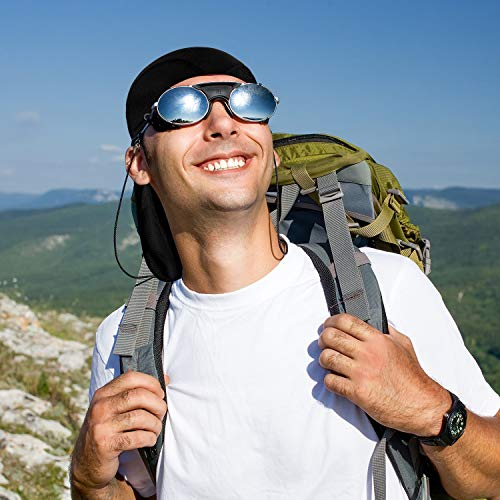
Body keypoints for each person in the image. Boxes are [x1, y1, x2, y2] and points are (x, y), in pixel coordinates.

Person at [70, 47, 500, 499]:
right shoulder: (126, 340)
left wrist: (432, 411)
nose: (223, 123)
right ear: (140, 164)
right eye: (183, 110)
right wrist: (87, 476)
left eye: (245, 103)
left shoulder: (388, 288)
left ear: (271, 154)